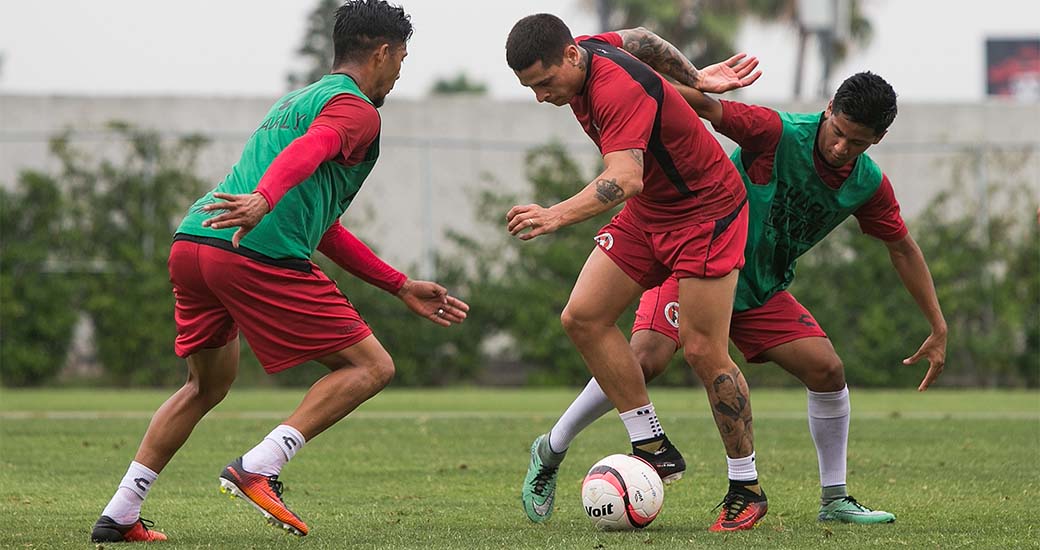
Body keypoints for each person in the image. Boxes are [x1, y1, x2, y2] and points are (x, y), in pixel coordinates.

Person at [525, 28, 948, 527]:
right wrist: (688, 80)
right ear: (829, 107)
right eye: (837, 130)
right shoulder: (778, 131)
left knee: (827, 370)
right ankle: (553, 449)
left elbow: (902, 247)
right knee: (644, 357)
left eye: (857, 142)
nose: (840, 147)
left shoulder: (868, 184)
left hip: (756, 285)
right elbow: (703, 108)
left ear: (877, 140)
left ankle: (833, 498)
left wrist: (937, 325)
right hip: (692, 251)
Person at [90, 1, 469, 543]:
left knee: (205, 385)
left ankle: (120, 512)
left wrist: (398, 284)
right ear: (382, 52)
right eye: (402, 58)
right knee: (371, 367)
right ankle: (260, 466)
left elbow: (322, 226)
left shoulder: (295, 100)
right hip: (251, 248)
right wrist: (266, 199)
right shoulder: (357, 109)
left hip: (196, 240)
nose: (401, 70)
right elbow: (311, 151)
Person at [506, 15, 769, 532]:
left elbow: (625, 177)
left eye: (543, 83)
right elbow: (644, 40)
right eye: (530, 88)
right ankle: (650, 441)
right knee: (582, 317)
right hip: (652, 213)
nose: (540, 97)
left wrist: (554, 214)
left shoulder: (613, 90)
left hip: (706, 212)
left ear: (570, 58)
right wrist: (696, 77)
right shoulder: (587, 48)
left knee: (701, 349)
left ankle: (746, 485)